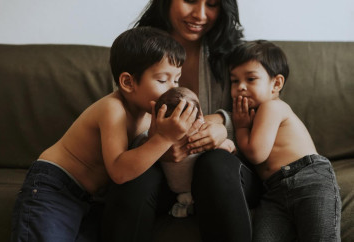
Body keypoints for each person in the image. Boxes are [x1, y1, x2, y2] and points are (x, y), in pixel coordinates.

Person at [10, 26, 199, 242]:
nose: (172, 89)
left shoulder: (150, 117)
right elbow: (119, 170)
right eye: (162, 80)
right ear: (128, 82)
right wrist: (163, 139)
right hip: (55, 187)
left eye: (176, 80)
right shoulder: (113, 109)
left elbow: (147, 156)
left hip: (92, 200)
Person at [103, 1, 263, 241]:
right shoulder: (137, 50)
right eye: (189, 0)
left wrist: (222, 125)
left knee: (215, 162)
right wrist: (156, 146)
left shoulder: (237, 55)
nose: (200, 15)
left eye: (211, 4)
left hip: (225, 173)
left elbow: (264, 118)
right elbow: (124, 123)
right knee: (139, 175)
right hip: (163, 174)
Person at [229, 40, 341, 241]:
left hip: (309, 179)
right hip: (274, 192)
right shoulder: (257, 113)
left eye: (251, 79)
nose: (241, 87)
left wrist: (241, 127)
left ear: (276, 83)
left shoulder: (272, 107)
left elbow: (256, 153)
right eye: (234, 81)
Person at [155, 87, 235, 218]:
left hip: (174, 188)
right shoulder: (199, 138)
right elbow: (228, 146)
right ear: (199, 118)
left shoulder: (157, 138)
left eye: (176, 80)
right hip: (198, 186)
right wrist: (230, 144)